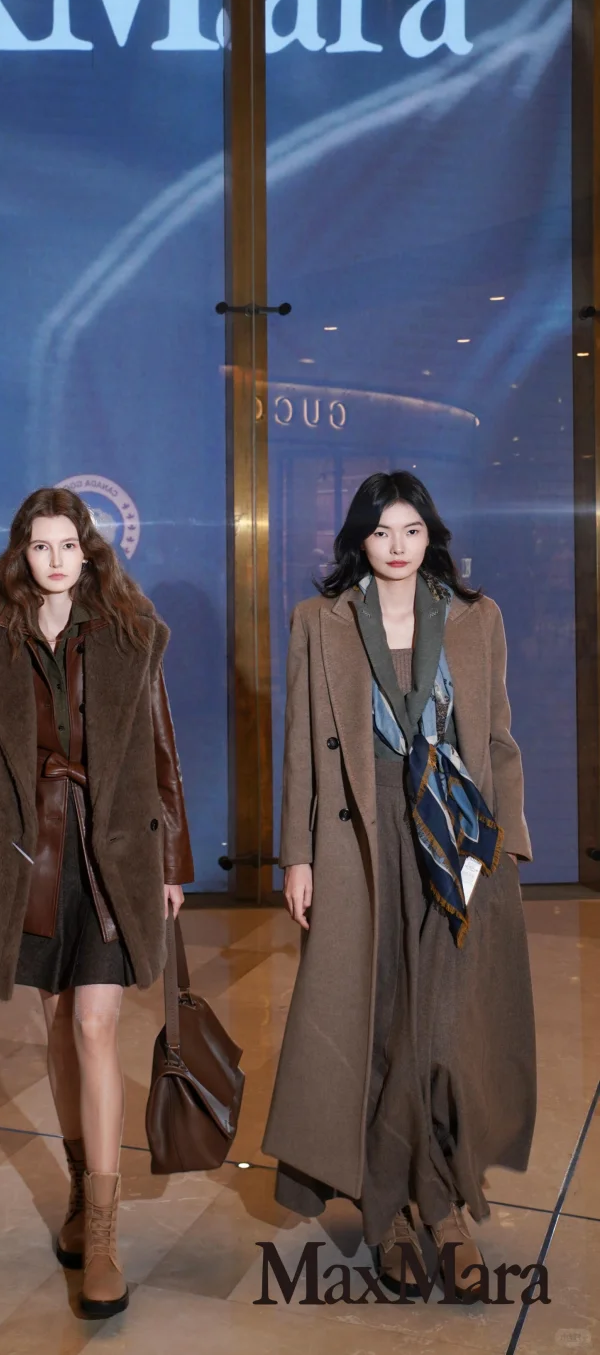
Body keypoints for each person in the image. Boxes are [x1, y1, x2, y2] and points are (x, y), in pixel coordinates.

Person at [263, 472, 536, 1298]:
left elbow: (498, 737)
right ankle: (390, 1210)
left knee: (441, 1028)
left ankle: (441, 1199)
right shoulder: (319, 622)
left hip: (454, 835)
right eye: (382, 531)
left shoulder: (476, 617)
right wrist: (299, 856)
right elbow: (304, 748)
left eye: (412, 530)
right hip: (361, 837)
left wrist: (506, 846)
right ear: (360, 538)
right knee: (378, 1019)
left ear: (430, 537)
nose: (397, 546)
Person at [0, 487, 194, 1319]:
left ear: (89, 551)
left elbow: (162, 750)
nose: (55, 559)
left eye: (67, 545)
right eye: (40, 545)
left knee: (93, 1024)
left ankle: (107, 1233)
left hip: (113, 851)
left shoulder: (128, 632)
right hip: (32, 858)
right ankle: (83, 1187)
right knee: (57, 1024)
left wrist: (173, 861)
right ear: (22, 553)